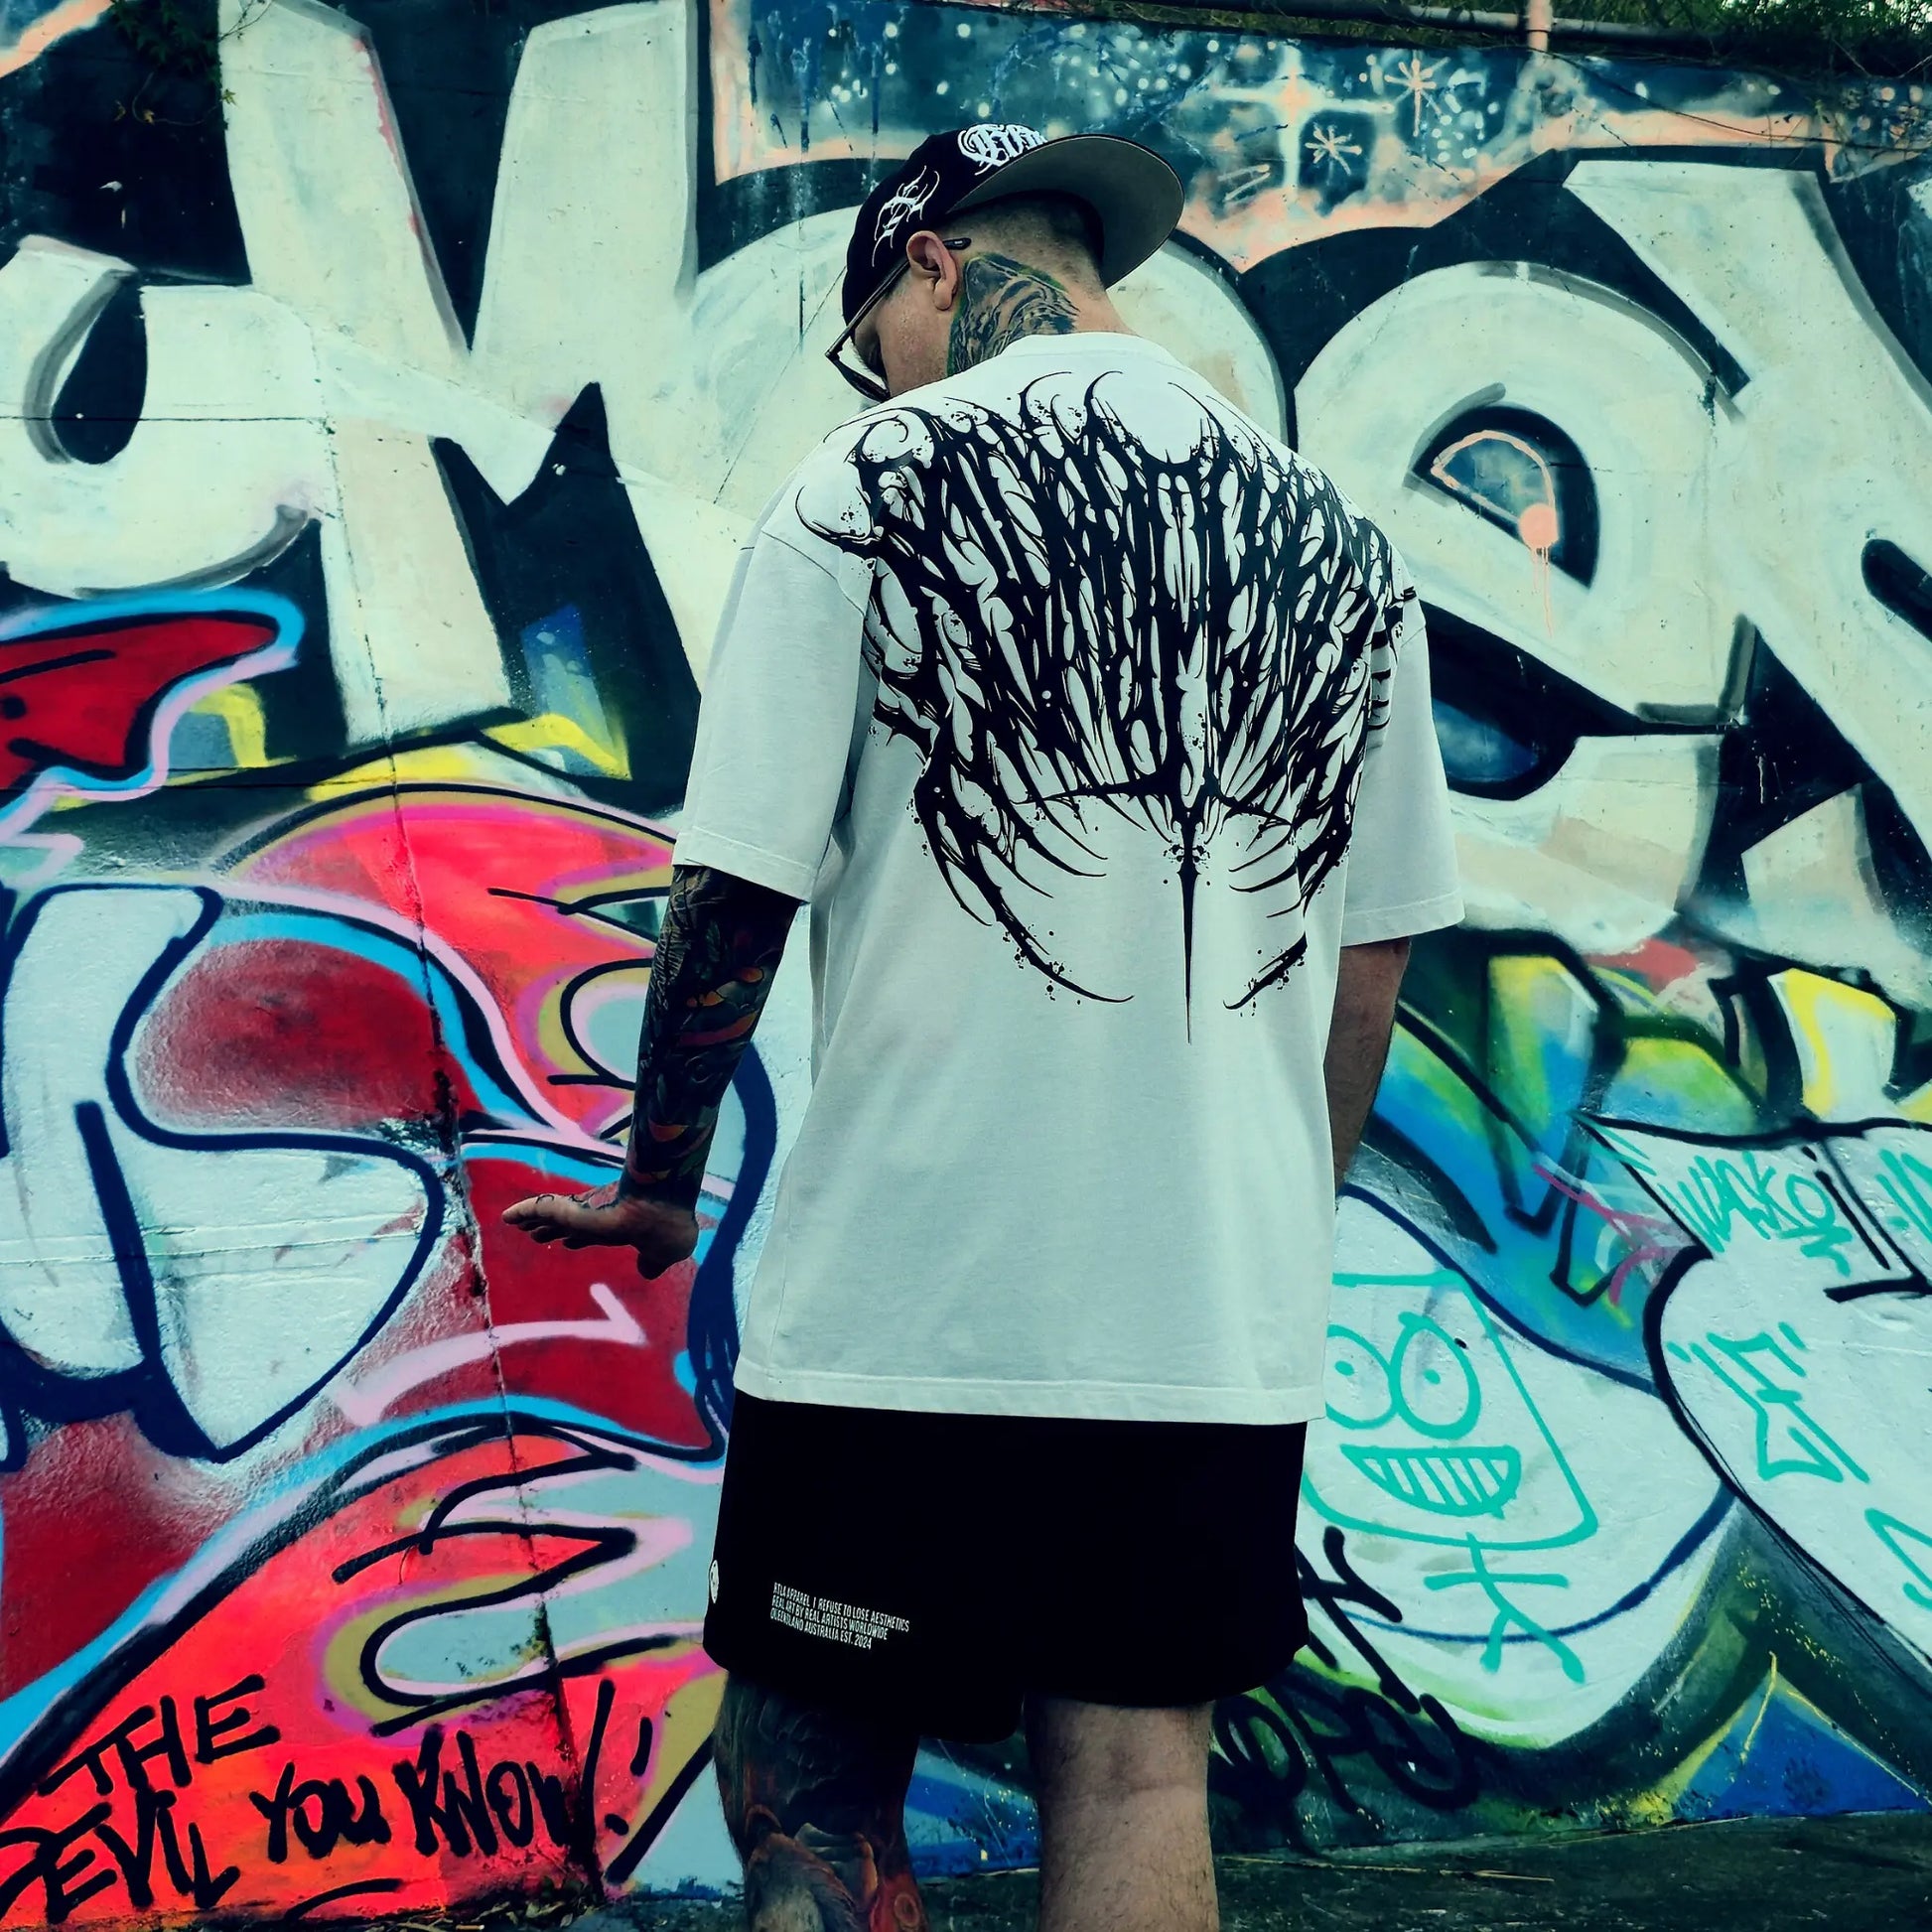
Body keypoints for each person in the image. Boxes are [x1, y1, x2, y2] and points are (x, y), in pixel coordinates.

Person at [504, 124, 1462, 1932]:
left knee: (810, 1777)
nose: (881, 376)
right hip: (1205, 1326)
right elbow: (1366, 968)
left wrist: (658, 1181)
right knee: (1133, 1771)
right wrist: (1269, 1237)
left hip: (909, 1306)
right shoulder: (1341, 542)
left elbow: (732, 892)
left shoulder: (867, 488)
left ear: (930, 262)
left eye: (877, 333)